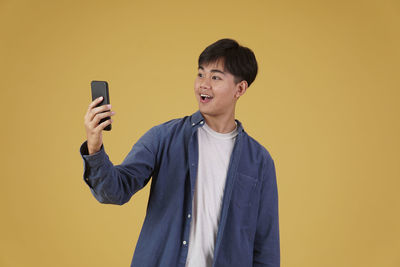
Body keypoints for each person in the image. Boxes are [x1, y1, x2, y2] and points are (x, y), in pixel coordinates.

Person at [79, 38, 280, 267]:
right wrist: (94, 148)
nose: (204, 84)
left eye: (215, 77)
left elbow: (265, 244)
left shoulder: (259, 161)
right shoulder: (163, 138)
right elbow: (115, 191)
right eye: (200, 74)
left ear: (240, 88)